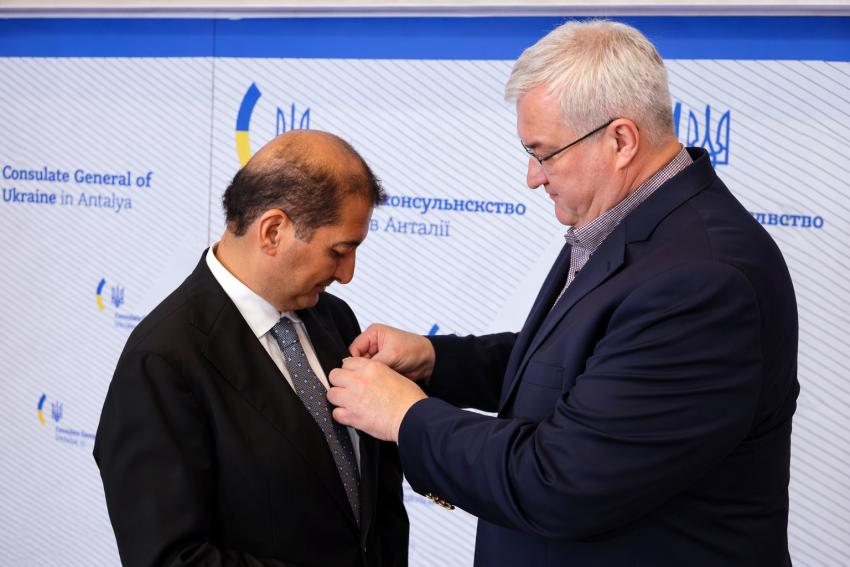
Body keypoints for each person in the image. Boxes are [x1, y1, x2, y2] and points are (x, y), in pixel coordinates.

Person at [327, 20, 798, 566]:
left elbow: (561, 481)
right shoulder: (631, 221)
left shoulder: (702, 281)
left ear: (620, 141)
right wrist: (437, 360)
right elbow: (583, 365)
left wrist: (407, 417)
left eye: (544, 153)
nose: (532, 177)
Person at [94, 130, 409, 567]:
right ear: (273, 231)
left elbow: (377, 497)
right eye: (339, 251)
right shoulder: (161, 362)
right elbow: (170, 558)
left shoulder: (334, 318)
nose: (347, 274)